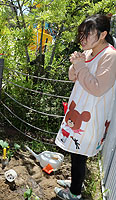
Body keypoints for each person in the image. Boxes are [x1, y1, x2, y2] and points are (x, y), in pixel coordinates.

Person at [54, 14, 116, 200]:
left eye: (88, 34)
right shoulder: (89, 52)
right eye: (82, 34)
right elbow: (73, 77)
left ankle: (74, 193)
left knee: (79, 155)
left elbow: (97, 89)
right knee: (76, 152)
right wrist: (76, 64)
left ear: (103, 34)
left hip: (91, 115)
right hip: (79, 109)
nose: (83, 39)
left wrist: (80, 65)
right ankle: (76, 182)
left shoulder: (110, 56)